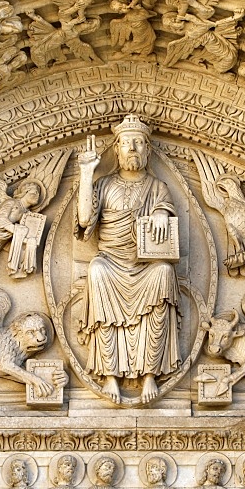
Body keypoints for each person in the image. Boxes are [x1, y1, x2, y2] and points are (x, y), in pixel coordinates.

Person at [76, 115, 180, 404]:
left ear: (147, 150)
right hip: (111, 260)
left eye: (138, 143)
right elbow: (85, 220)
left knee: (164, 274)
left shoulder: (158, 187)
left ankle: (149, 374)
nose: (132, 148)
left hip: (144, 265)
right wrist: (87, 174)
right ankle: (110, 374)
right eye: (126, 143)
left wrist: (161, 213)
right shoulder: (104, 185)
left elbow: (165, 212)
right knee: (96, 271)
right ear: (117, 150)